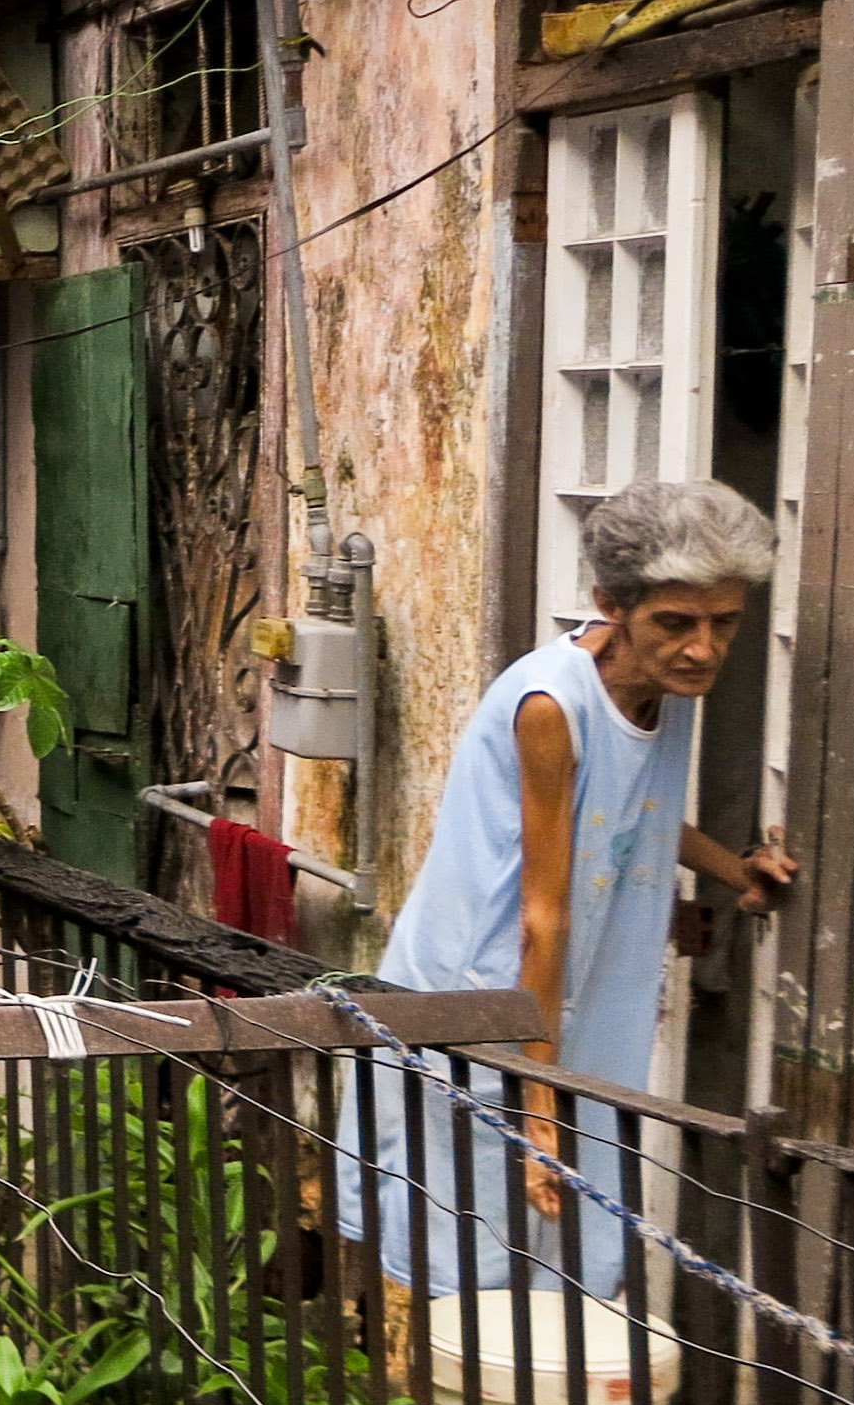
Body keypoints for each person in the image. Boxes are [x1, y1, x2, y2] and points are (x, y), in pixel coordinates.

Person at [336, 478, 797, 1300]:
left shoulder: (666, 685)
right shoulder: (550, 705)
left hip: (575, 1004)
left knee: (561, 1264)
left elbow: (632, 813)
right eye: (675, 623)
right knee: (477, 1266)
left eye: (723, 622)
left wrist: (734, 870)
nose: (703, 648)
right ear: (610, 605)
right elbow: (540, 919)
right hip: (489, 996)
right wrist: (537, 1109)